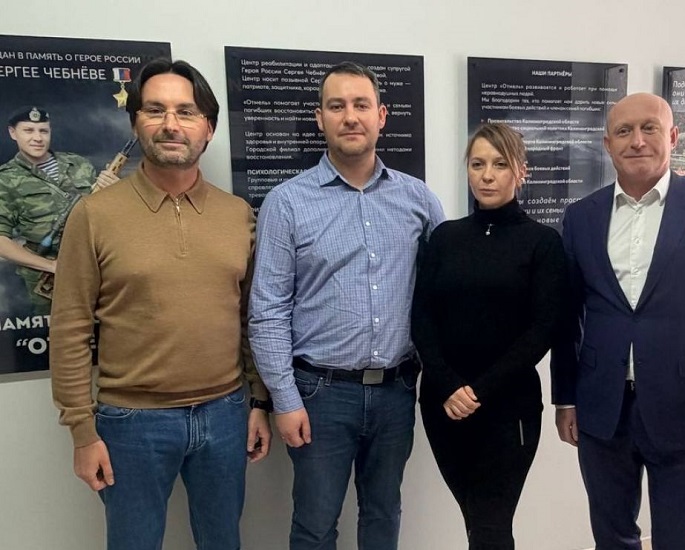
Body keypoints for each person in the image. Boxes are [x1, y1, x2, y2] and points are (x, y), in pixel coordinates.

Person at [49, 58, 272, 550]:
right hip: (132, 422)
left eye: (186, 112)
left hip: (226, 414)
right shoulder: (94, 215)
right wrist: (82, 432)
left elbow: (251, 318)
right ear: (136, 123)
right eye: (155, 110)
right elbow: (69, 327)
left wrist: (258, 401)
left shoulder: (238, 215)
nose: (171, 124)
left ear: (208, 128)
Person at [551, 92, 685, 550]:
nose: (637, 141)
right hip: (601, 410)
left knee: (684, 540)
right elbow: (568, 316)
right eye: (624, 131)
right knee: (611, 537)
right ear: (607, 144)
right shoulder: (582, 217)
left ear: (672, 137)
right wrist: (566, 398)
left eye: (648, 128)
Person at [249, 61, 445, 550]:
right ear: (320, 118)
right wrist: (284, 398)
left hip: (397, 391)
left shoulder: (419, 200)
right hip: (319, 394)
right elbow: (268, 308)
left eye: (361, 105)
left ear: (382, 115)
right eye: (337, 106)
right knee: (315, 525)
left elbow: (446, 293)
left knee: (383, 514)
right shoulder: (287, 203)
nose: (350, 116)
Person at [411, 123, 568, 549]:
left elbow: (542, 330)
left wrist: (478, 391)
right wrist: (448, 385)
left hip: (507, 409)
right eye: (477, 164)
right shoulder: (446, 237)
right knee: (477, 522)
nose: (487, 175)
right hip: (444, 405)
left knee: (490, 525)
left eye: (500, 165)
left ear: (521, 172)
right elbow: (422, 317)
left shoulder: (542, 243)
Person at [0, 106, 118, 312]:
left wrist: (115, 191)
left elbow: (107, 216)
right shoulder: (5, 179)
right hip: (45, 284)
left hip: (96, 271)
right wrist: (52, 266)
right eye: (28, 130)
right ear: (13, 133)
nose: (38, 138)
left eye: (43, 131)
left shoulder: (79, 164)